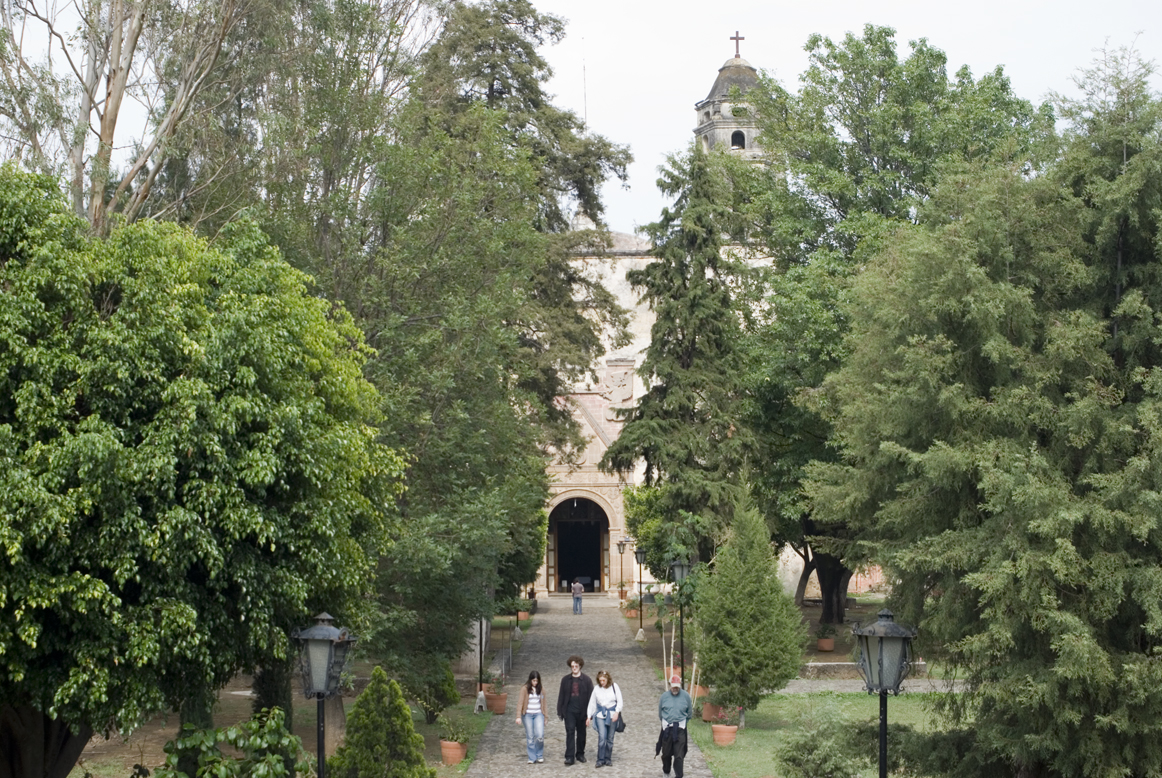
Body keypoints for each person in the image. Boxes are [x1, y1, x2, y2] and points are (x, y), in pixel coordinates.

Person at [557, 655, 594, 765]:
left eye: (576, 666)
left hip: (582, 711)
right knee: (570, 732)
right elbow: (561, 696)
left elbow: (591, 698)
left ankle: (580, 754)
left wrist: (590, 715)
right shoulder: (565, 680)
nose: (574, 668)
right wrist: (560, 710)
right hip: (569, 711)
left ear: (580, 666)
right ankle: (569, 756)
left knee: (582, 734)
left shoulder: (587, 680)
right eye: (572, 666)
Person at [656, 675, 693, 778]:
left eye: (677, 686)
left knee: (679, 755)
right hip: (667, 728)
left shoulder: (685, 696)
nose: (675, 689)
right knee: (666, 754)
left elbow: (689, 712)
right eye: (673, 686)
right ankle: (666, 771)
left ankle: (679, 775)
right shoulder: (664, 696)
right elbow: (660, 713)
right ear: (669, 685)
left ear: (680, 685)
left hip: (680, 728)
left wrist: (684, 723)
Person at [585, 670, 623, 768]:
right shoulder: (597, 689)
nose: (602, 682)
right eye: (600, 680)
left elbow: (620, 701)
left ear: (607, 679)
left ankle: (608, 758)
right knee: (602, 737)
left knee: (610, 738)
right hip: (600, 716)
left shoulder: (615, 687)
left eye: (603, 680)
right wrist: (589, 716)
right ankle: (600, 759)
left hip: (612, 715)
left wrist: (617, 712)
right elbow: (592, 703)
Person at [516, 670, 546, 764]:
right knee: (530, 736)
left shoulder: (541, 689)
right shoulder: (524, 689)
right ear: (530, 680)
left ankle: (539, 755)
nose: (535, 683)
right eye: (533, 681)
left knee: (540, 735)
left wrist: (546, 717)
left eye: (537, 681)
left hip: (538, 714)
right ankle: (532, 757)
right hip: (527, 714)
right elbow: (520, 702)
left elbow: (544, 704)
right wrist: (518, 716)